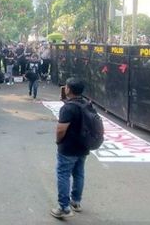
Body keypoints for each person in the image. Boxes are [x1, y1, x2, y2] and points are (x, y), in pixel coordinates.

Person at [51, 77, 89, 219]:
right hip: (83, 145)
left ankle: (63, 207)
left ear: (69, 89)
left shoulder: (68, 108)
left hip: (68, 147)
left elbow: (61, 130)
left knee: (63, 174)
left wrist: (58, 141)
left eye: (66, 87)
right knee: (79, 173)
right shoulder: (86, 104)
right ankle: (76, 202)